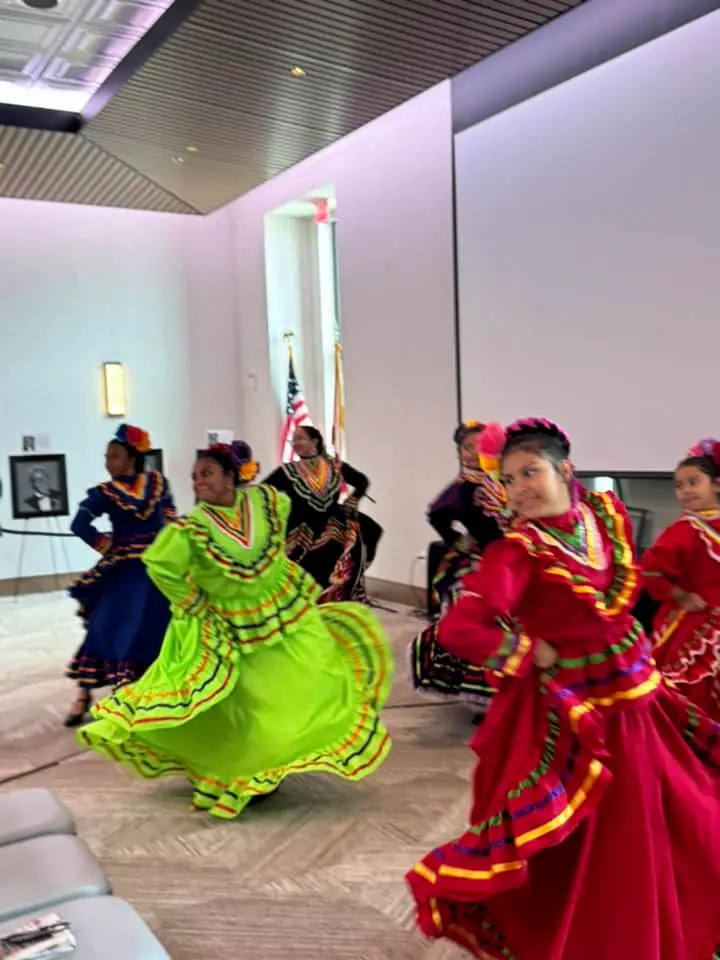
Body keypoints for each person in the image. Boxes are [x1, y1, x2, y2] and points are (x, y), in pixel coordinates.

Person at [406, 418, 720, 960]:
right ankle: (601, 933)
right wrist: (528, 652)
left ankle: (674, 907)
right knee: (601, 829)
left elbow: (626, 592)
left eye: (530, 473)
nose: (520, 488)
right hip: (576, 713)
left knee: (665, 808)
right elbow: (461, 627)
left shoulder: (604, 515)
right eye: (509, 479)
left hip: (637, 695)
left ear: (565, 471)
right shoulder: (517, 552)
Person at [77, 442, 393, 819]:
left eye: (207, 474)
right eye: (195, 477)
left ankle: (279, 755)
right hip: (229, 622)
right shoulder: (191, 529)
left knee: (309, 674)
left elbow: (292, 515)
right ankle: (242, 767)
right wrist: (194, 603)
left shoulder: (265, 502)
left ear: (230, 477)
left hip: (279, 609)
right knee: (243, 701)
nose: (199, 483)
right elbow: (161, 567)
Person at [65, 424, 175, 727]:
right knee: (108, 627)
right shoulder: (106, 493)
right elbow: (79, 524)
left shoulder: (156, 483)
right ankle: (85, 692)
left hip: (157, 568)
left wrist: (170, 546)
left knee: (159, 629)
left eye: (114, 456)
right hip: (124, 571)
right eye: (107, 456)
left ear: (131, 458)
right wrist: (106, 544)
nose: (108, 462)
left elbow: (170, 517)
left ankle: (154, 692)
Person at [410, 422, 510, 706]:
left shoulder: (507, 478)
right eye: (468, 448)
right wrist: (459, 540)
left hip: (515, 554)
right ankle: (484, 692)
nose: (475, 453)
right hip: (482, 559)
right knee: (478, 613)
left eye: (482, 446)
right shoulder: (462, 487)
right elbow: (436, 514)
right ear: (460, 453)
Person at [641, 437, 720, 719]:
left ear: (716, 484)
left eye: (693, 482)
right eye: (679, 486)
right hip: (694, 623)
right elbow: (650, 571)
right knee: (694, 690)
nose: (685, 491)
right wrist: (682, 596)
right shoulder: (684, 530)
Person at [263, 426, 381, 602]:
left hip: (332, 522)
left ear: (315, 442)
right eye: (293, 440)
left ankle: (336, 601)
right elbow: (263, 491)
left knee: (368, 532)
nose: (296, 443)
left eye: (300, 438)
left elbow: (362, 480)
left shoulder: (334, 465)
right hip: (302, 527)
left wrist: (353, 499)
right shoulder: (288, 471)